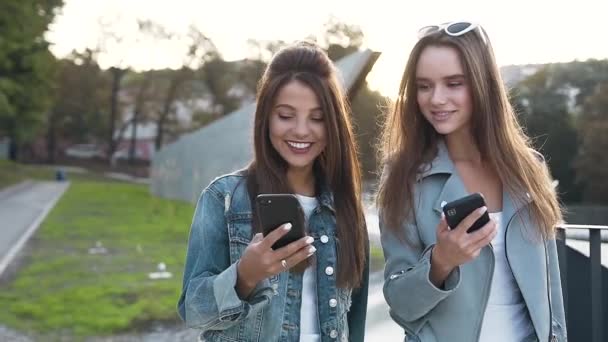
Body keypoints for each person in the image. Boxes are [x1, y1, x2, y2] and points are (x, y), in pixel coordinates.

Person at [377, 22, 566, 341]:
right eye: (424, 86)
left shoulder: (529, 168)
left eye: (453, 83)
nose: (436, 99)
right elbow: (400, 303)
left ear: (482, 84)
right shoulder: (404, 177)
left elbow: (551, 291)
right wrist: (441, 262)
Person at [177, 41, 369, 342]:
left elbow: (355, 319)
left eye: (317, 118)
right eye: (286, 115)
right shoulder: (224, 198)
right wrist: (245, 276)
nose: (302, 130)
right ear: (266, 117)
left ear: (333, 124)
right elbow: (193, 310)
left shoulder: (345, 207)